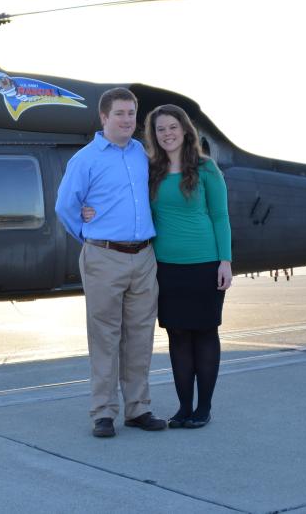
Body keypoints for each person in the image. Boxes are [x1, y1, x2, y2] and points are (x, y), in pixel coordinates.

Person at [84, 103, 232, 429]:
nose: (167, 134)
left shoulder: (206, 169)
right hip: (164, 265)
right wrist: (89, 210)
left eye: (172, 128)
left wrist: (225, 261)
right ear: (154, 135)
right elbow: (126, 201)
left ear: (184, 130)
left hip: (205, 263)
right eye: (160, 129)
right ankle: (183, 409)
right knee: (177, 336)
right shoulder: (150, 169)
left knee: (205, 334)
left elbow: (220, 217)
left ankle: (202, 409)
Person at [55, 87, 168, 438]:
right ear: (103, 118)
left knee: (140, 337)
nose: (127, 120)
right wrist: (90, 235)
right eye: (119, 114)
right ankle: (103, 413)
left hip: (143, 257)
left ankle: (139, 409)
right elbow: (65, 206)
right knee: (104, 338)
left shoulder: (141, 154)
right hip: (104, 255)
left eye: (132, 114)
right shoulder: (85, 159)